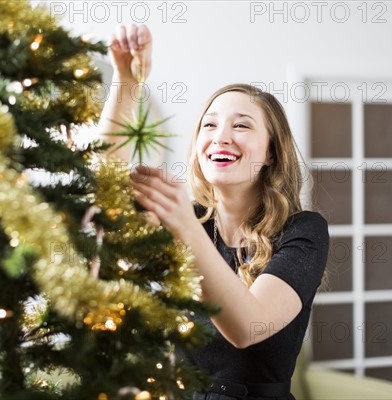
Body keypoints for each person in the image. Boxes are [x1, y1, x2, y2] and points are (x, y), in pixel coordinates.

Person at [98, 24, 329, 400]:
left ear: (271, 152)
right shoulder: (191, 220)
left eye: (241, 125)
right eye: (210, 124)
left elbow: (248, 327)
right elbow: (105, 194)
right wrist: (126, 81)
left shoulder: (303, 231)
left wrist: (184, 229)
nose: (221, 136)